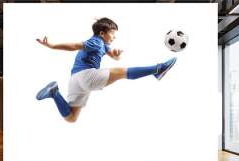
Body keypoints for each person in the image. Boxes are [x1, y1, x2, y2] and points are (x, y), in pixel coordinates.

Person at [36, 17, 176, 123]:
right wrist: (52, 46)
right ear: (102, 33)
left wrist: (116, 55)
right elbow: (75, 45)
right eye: (113, 33)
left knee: (71, 117)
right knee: (122, 72)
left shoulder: (102, 44)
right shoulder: (96, 41)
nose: (115, 36)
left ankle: (54, 93)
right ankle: (157, 69)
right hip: (86, 76)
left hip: (74, 79)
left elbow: (112, 55)